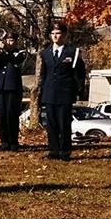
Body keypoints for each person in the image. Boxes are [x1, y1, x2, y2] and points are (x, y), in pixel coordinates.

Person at [40, 22, 86, 161]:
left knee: (64, 124)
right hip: (50, 94)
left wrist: (76, 91)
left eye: (58, 33)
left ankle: (65, 151)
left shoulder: (72, 52)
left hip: (65, 94)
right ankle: (53, 150)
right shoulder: (46, 53)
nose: (55, 36)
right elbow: (44, 74)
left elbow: (80, 74)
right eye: (53, 33)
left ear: (64, 35)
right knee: (51, 124)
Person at [0, 31, 27, 151]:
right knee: (2, 115)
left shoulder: (20, 52)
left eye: (11, 40)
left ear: (16, 41)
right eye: (6, 40)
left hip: (13, 87)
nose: (8, 42)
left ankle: (13, 141)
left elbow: (15, 62)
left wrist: (6, 50)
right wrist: (0, 51)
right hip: (1, 87)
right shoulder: (0, 53)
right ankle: (4, 142)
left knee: (12, 115)